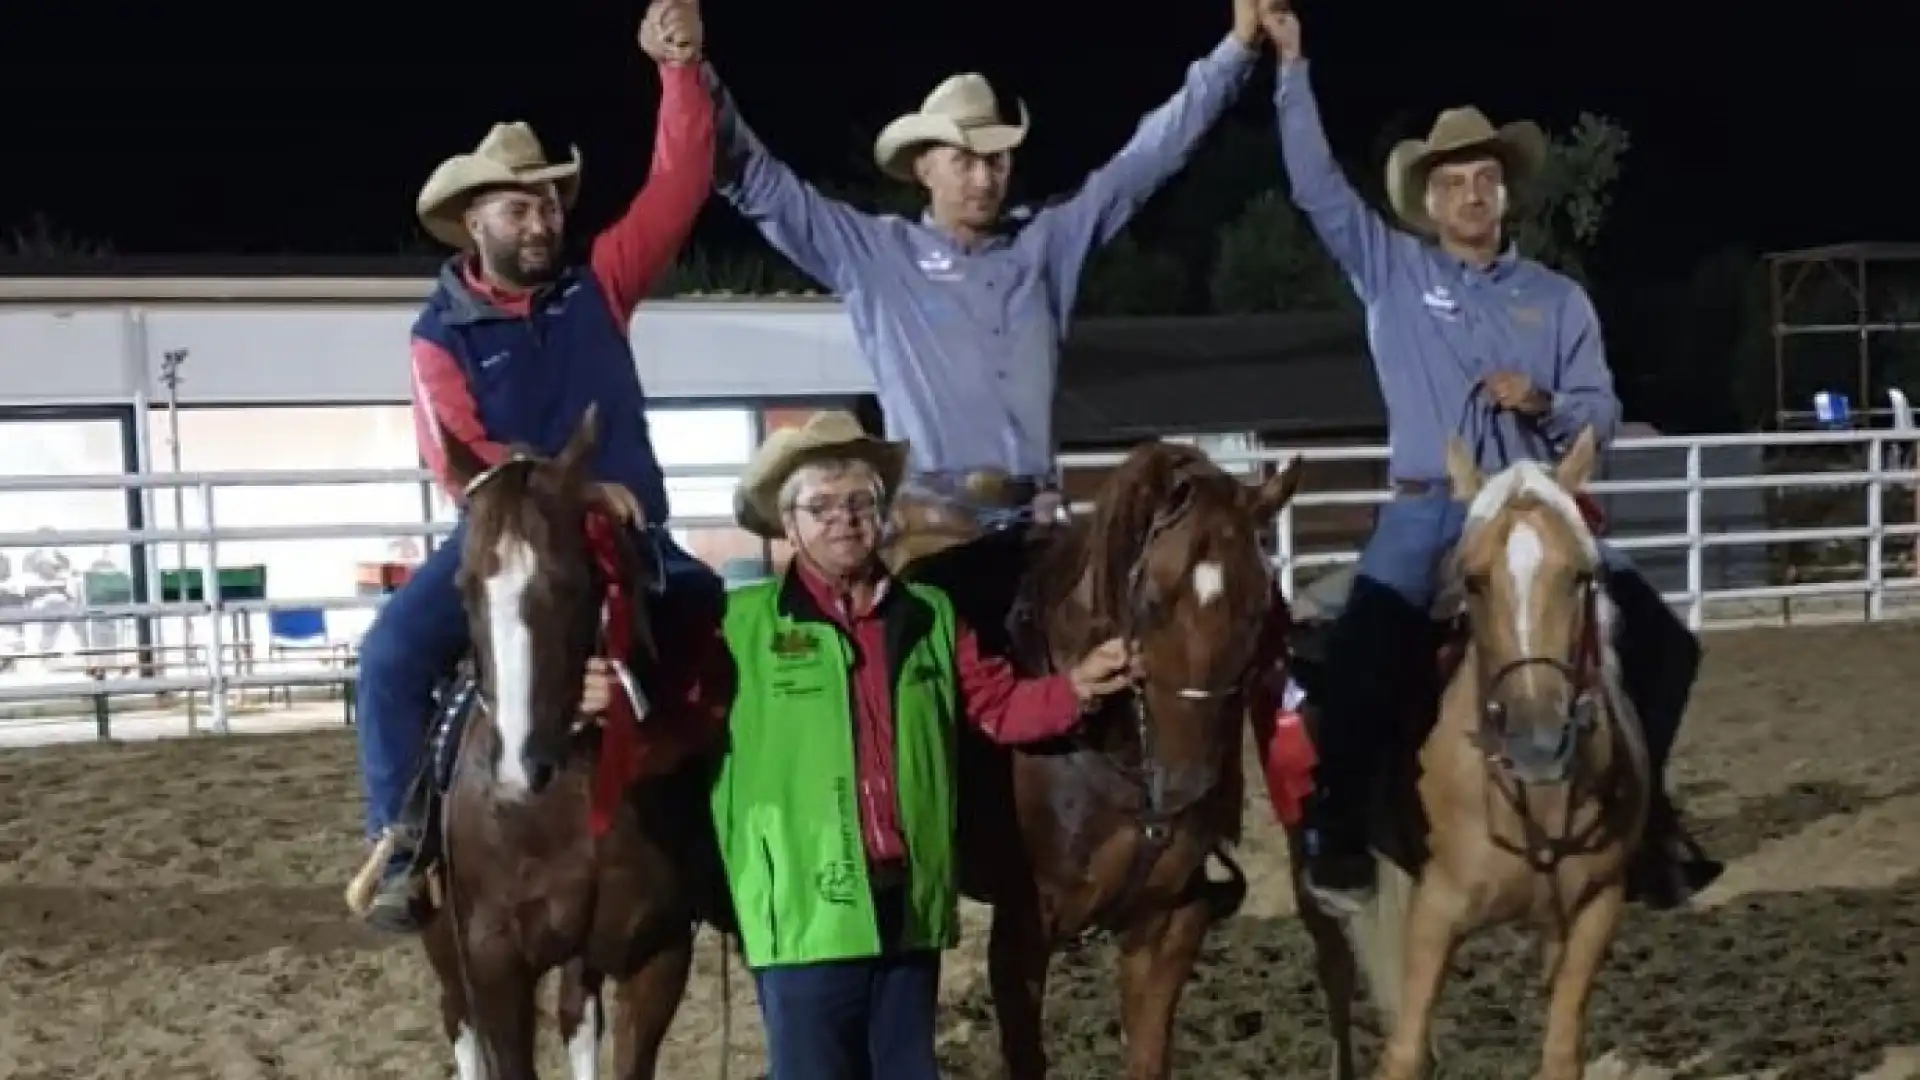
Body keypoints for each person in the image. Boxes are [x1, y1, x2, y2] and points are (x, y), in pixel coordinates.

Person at [1263, 1, 1721, 914]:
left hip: (1538, 507)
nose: (1471, 194)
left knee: (1664, 644)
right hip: (1433, 505)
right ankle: (1339, 826)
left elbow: (1601, 407)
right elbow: (1316, 188)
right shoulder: (1392, 271)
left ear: (1506, 194)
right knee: (1364, 641)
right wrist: (1290, 72)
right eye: (1454, 182)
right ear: (1428, 201)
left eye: (1485, 179)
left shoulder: (1557, 302)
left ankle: (1645, 819)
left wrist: (1546, 403)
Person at [699, 0, 1271, 644]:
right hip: (931, 534)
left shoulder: (1046, 243)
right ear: (923, 167)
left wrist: (1237, 52)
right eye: (964, 160)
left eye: (996, 160)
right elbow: (758, 183)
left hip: (1040, 529)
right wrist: (695, 75)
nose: (983, 177)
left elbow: (1145, 161)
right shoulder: (876, 256)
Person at [350, 0, 717, 934]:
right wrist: (583, 488)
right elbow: (460, 463)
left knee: (713, 617)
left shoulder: (598, 283)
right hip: (510, 539)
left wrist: (679, 71)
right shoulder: (438, 338)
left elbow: (678, 186)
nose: (544, 217)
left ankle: (718, 831)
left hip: (630, 541)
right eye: (521, 204)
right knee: (390, 654)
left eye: (551, 199)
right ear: (475, 220)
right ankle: (402, 840)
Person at [640, 410, 1137, 1080]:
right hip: (801, 911)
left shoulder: (930, 614)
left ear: (881, 513)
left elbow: (997, 706)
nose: (843, 519)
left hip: (908, 904)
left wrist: (1077, 686)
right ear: (790, 526)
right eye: (821, 506)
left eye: (859, 502)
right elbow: (675, 724)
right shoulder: (740, 628)